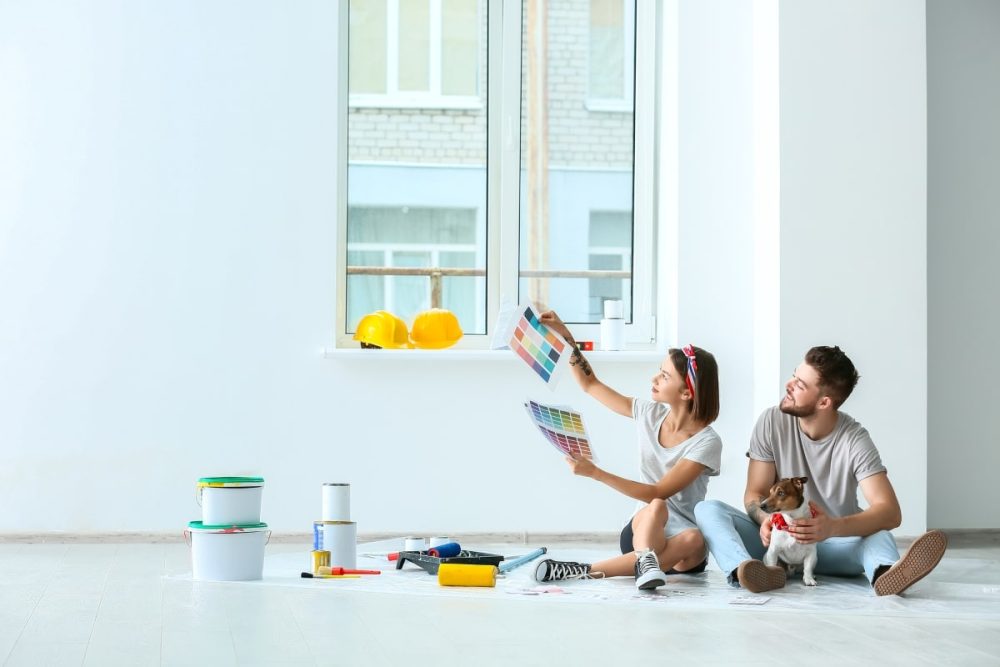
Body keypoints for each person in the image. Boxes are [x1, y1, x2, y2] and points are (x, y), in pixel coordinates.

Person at [694, 345, 947, 595]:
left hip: (835, 545)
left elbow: (890, 512)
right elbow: (755, 492)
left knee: (879, 536)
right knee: (708, 510)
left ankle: (886, 574)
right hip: (779, 543)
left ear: (824, 401)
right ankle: (745, 572)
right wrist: (766, 520)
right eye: (794, 375)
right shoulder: (771, 422)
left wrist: (831, 527)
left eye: (800, 385)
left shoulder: (854, 439)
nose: (788, 385)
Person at [532, 310, 722, 591]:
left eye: (664, 376)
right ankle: (645, 561)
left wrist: (596, 473)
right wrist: (567, 338)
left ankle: (588, 570)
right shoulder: (649, 413)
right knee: (656, 508)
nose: (654, 379)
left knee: (694, 537)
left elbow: (658, 491)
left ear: (686, 393)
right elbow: (590, 384)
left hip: (683, 545)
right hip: (643, 528)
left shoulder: (707, 442)